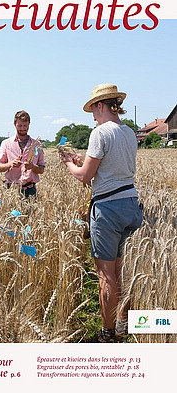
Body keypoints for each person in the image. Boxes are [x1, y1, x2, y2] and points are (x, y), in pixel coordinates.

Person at [60, 84, 143, 342]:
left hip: (107, 209)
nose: (93, 117)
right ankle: (122, 324)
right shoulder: (129, 132)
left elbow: (86, 176)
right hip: (131, 204)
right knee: (124, 272)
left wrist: (68, 165)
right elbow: (111, 165)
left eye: (93, 111)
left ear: (100, 105)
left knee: (106, 276)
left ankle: (107, 334)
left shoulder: (99, 133)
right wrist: (82, 159)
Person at [0, 110, 45, 198]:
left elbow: (41, 170)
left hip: (30, 190)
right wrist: (11, 164)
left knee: (30, 212)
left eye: (25, 125)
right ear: (15, 124)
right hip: (11, 190)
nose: (22, 128)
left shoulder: (37, 145)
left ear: (29, 124)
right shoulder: (6, 144)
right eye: (20, 126)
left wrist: (32, 167)